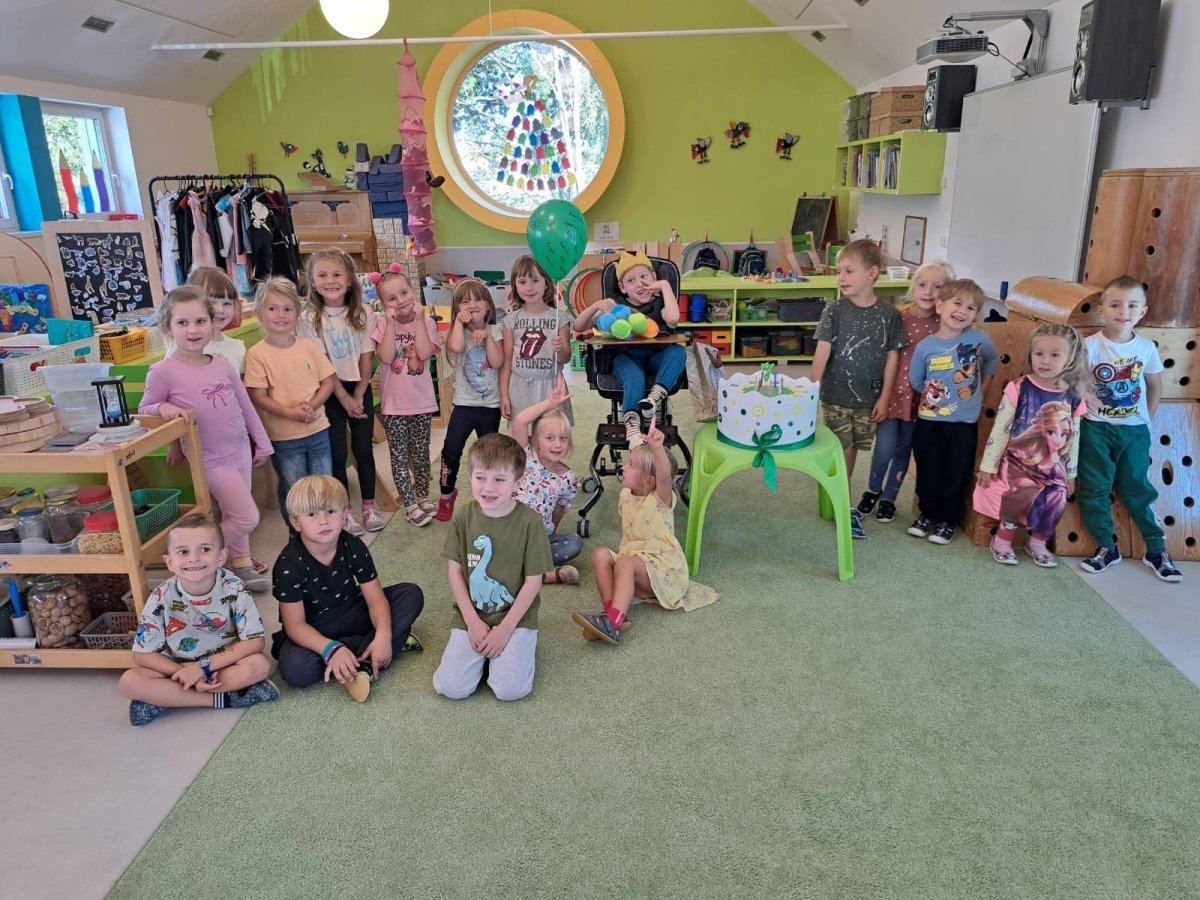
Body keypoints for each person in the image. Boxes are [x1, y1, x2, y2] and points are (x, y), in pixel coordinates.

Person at [140, 286, 273, 591]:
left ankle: (240, 566)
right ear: (168, 328)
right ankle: (197, 556)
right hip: (209, 459)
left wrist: (263, 443)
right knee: (246, 517)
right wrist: (164, 408)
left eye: (200, 321)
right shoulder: (162, 371)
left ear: (213, 323)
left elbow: (246, 406)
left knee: (235, 512)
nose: (193, 330)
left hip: (240, 450)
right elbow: (146, 407)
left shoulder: (222, 365)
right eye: (183, 323)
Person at [272, 476, 425, 702]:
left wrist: (383, 635)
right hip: (315, 627)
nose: (323, 521)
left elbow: (375, 599)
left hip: (353, 612)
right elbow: (294, 625)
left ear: (345, 515)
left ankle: (369, 649)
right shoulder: (288, 564)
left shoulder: (353, 545)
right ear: (295, 522)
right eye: (312, 514)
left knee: (411, 594)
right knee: (295, 669)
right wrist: (330, 649)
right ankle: (373, 651)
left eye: (331, 512)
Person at [119, 511, 278, 727]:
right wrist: (184, 672)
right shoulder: (161, 595)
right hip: (177, 666)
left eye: (204, 549)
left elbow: (255, 641)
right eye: (183, 551)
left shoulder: (234, 587)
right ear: (169, 562)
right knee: (129, 682)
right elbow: (141, 655)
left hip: (222, 663)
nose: (193, 558)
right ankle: (224, 699)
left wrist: (203, 668)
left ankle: (167, 699)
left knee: (258, 666)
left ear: (221, 556)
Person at [572, 419, 718, 645]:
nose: (624, 467)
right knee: (600, 554)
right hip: (635, 568)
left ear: (650, 481)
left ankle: (612, 623)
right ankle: (612, 614)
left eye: (631, 465)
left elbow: (664, 477)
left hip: (661, 571)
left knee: (625, 564)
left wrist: (658, 449)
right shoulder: (625, 495)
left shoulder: (660, 499)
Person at [1077, 276, 1183, 582]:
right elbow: (1077, 383)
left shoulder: (1146, 348)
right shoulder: (1089, 346)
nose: (1123, 311)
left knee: (1137, 486)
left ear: (1143, 311)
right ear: (1102, 309)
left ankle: (1156, 549)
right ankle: (1106, 546)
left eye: (1132, 305)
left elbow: (1155, 385)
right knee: (1094, 487)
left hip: (1134, 431)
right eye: (1115, 304)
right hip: (1096, 428)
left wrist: (1147, 418)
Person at [432, 434, 552, 701]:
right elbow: (455, 572)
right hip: (472, 614)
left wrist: (506, 629)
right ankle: (488, 655)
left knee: (510, 690)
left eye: (499, 479)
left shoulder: (531, 523)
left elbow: (534, 581)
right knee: (451, 688)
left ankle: (514, 647)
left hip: (515, 616)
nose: (488, 488)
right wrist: (472, 621)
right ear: (470, 476)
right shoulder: (463, 517)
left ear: (517, 482)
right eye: (480, 477)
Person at [808, 238, 906, 539]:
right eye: (839, 271)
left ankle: (838, 493)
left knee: (854, 451)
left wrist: (885, 396)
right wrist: (810, 391)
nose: (841, 277)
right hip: (835, 396)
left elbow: (892, 358)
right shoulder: (834, 311)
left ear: (872, 273)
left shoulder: (890, 315)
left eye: (848, 271)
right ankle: (843, 502)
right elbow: (822, 352)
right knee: (845, 449)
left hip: (869, 398)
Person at [974, 323, 1089, 567]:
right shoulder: (1019, 388)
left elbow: (1075, 438)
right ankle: (1002, 541)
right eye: (1039, 353)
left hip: (1054, 467)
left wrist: (1071, 474)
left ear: (1070, 358)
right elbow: (1000, 429)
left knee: (1057, 499)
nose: (1045, 361)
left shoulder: (1074, 396)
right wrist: (988, 465)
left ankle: (1037, 543)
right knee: (1017, 497)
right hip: (1019, 463)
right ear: (1031, 354)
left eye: (1055, 355)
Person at [857, 260, 953, 524]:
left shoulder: (945, 326)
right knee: (884, 449)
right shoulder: (898, 316)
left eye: (937, 286)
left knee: (903, 451)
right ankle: (873, 490)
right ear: (913, 286)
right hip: (891, 395)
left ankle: (889, 498)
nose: (928, 292)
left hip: (921, 401)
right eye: (923, 284)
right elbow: (878, 354)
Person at [907, 278, 999, 545]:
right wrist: (939, 395)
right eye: (957, 303)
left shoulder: (978, 339)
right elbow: (916, 381)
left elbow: (992, 358)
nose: (962, 311)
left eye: (971, 308)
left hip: (964, 423)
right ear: (940, 306)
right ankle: (926, 515)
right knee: (929, 469)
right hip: (930, 421)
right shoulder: (925, 346)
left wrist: (984, 386)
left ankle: (946, 520)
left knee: (956, 472)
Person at [299, 249, 381, 535]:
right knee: (336, 454)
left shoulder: (364, 312)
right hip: (329, 392)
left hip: (359, 387)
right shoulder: (309, 318)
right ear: (312, 281)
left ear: (349, 280)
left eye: (337, 274)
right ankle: (344, 511)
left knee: (363, 449)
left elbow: (367, 356)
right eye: (322, 275)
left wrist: (358, 394)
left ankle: (369, 506)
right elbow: (323, 365)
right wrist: (344, 398)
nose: (330, 281)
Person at [244, 277, 336, 519]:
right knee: (295, 490)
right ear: (260, 314)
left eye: (287, 309)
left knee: (324, 485)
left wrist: (313, 405)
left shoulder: (309, 346)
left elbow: (328, 381)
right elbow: (258, 395)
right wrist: (291, 413)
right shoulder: (257, 354)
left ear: (297, 314)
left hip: (318, 430)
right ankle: (297, 533)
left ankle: (324, 528)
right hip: (284, 438)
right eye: (272, 308)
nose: (280, 315)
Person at [572, 250, 684, 444]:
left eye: (644, 277)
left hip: (656, 359)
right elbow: (578, 326)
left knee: (678, 351)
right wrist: (596, 305)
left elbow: (673, 318)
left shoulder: (661, 303)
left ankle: (653, 399)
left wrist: (665, 286)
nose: (639, 283)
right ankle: (632, 423)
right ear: (622, 288)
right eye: (631, 281)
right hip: (625, 358)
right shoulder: (616, 307)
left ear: (654, 277)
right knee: (633, 373)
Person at [371, 268, 439, 527]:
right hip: (394, 407)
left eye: (404, 293)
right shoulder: (382, 324)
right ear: (383, 304)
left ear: (413, 291)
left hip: (421, 403)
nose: (400, 301)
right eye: (391, 298)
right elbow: (387, 357)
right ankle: (410, 505)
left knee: (421, 454)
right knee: (399, 457)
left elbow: (423, 353)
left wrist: (419, 321)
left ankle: (422, 497)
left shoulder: (427, 322)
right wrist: (390, 324)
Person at [436, 279, 505, 522]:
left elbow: (497, 362)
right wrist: (458, 321)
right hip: (464, 405)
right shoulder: (458, 331)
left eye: (478, 300)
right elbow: (455, 348)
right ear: (457, 308)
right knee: (450, 451)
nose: (472, 305)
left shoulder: (496, 330)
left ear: (488, 304)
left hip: (490, 407)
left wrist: (487, 338)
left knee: (489, 457)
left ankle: (489, 497)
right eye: (465, 302)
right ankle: (446, 495)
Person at [513, 373, 583, 585]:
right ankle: (542, 574)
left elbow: (559, 510)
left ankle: (522, 568)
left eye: (563, 438)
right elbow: (520, 421)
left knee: (575, 543)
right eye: (550, 438)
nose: (557, 444)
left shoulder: (568, 479)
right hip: (509, 532)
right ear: (536, 440)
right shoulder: (526, 454)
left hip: (537, 540)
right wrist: (550, 404)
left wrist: (548, 538)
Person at [500, 254, 573, 427]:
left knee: (551, 434)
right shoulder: (510, 321)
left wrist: (560, 349)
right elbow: (507, 362)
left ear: (546, 283)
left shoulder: (559, 318)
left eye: (535, 280)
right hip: (519, 389)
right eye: (522, 282)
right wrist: (504, 396)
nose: (529, 287)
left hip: (551, 387)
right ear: (515, 286)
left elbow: (565, 358)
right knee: (522, 435)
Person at [185, 266, 247, 374]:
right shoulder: (182, 347)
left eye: (227, 304)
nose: (220, 310)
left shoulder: (238, 348)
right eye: (211, 302)